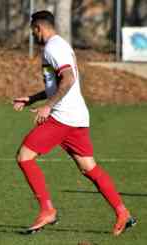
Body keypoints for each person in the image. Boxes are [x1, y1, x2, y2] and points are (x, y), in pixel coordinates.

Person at [13, 10, 136, 236]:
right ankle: (122, 212)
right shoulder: (60, 45)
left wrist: (49, 105)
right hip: (77, 117)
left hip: (63, 117)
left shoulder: (53, 48)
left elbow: (68, 79)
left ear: (39, 28)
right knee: (89, 167)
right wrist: (32, 99)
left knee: (24, 156)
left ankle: (47, 210)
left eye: (32, 30)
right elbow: (58, 83)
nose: (32, 35)